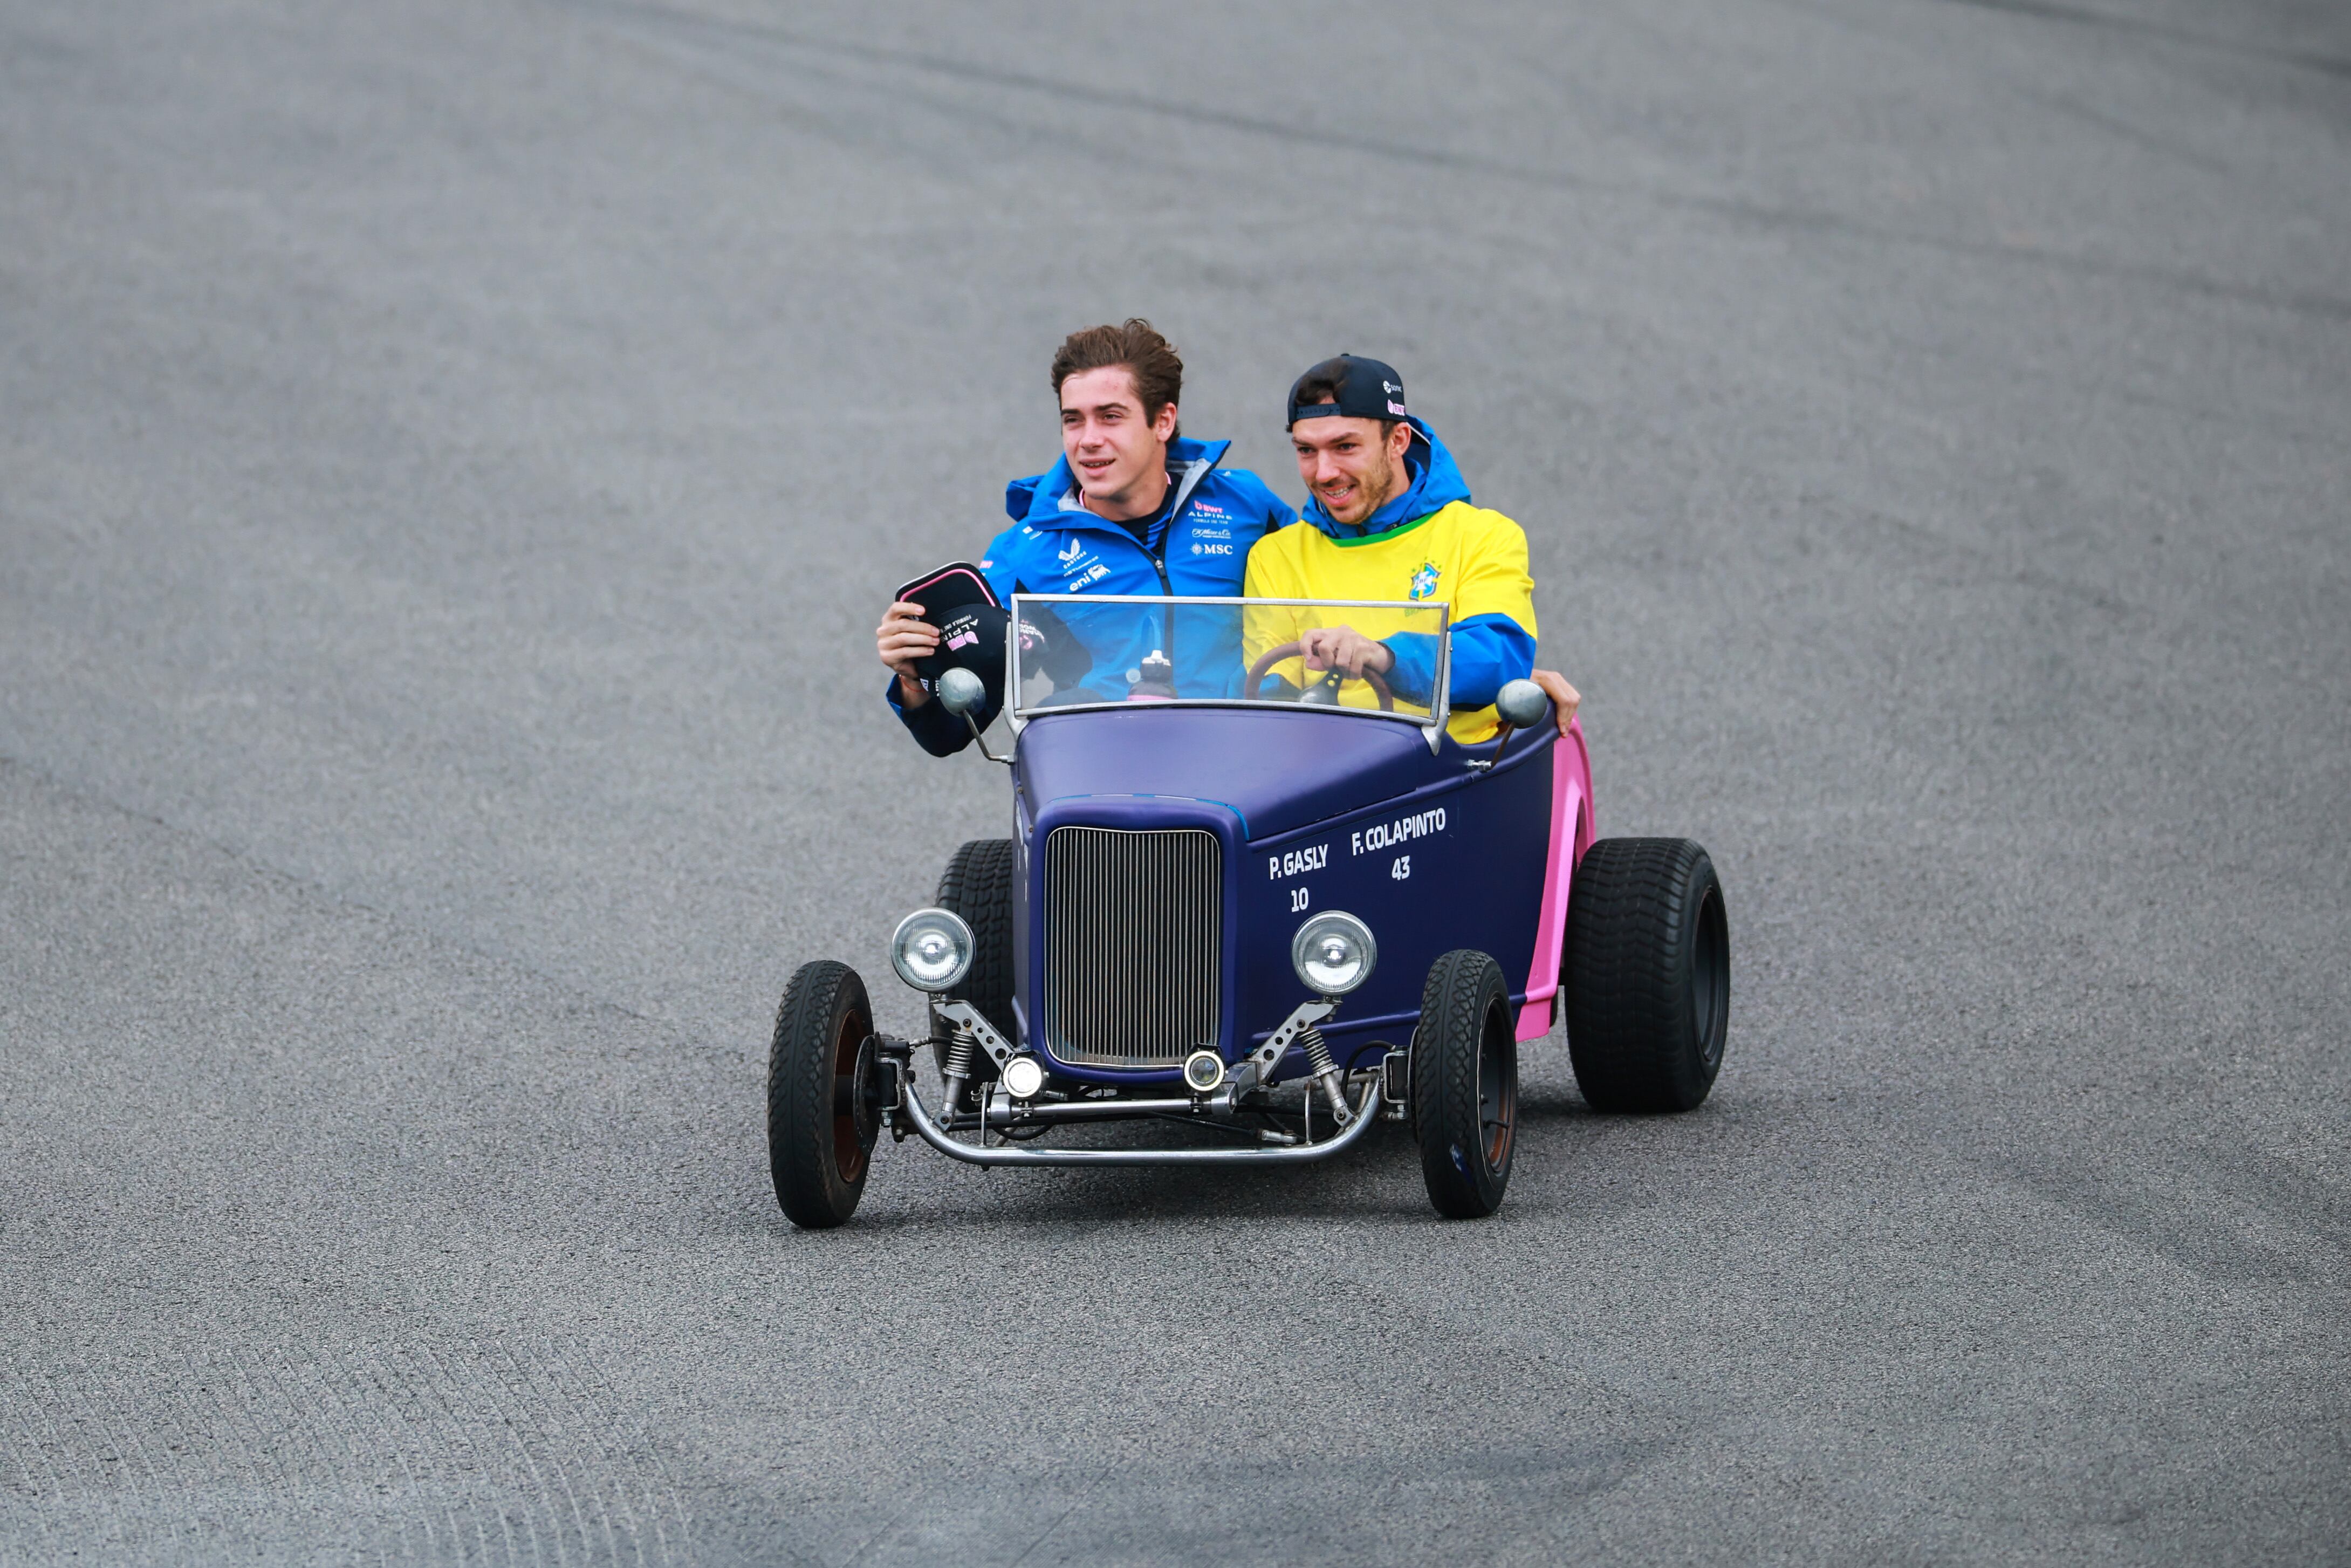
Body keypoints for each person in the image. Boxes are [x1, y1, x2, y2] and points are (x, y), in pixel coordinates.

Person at [875, 320, 1297, 754]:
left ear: (1163, 421)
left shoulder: (1243, 503)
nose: (1088, 440)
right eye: (1073, 420)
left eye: (1111, 417)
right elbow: (949, 733)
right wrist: (914, 678)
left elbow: (1319, 578)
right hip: (1105, 778)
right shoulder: (1023, 555)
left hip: (1245, 764)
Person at [1243, 354, 1580, 740]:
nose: (1323, 472)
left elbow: (1499, 656)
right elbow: (1267, 697)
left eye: (1345, 446)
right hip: (1324, 772)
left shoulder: (1484, 536)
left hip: (1447, 778)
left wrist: (1384, 657)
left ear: (1398, 441)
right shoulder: (1275, 556)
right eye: (1306, 450)